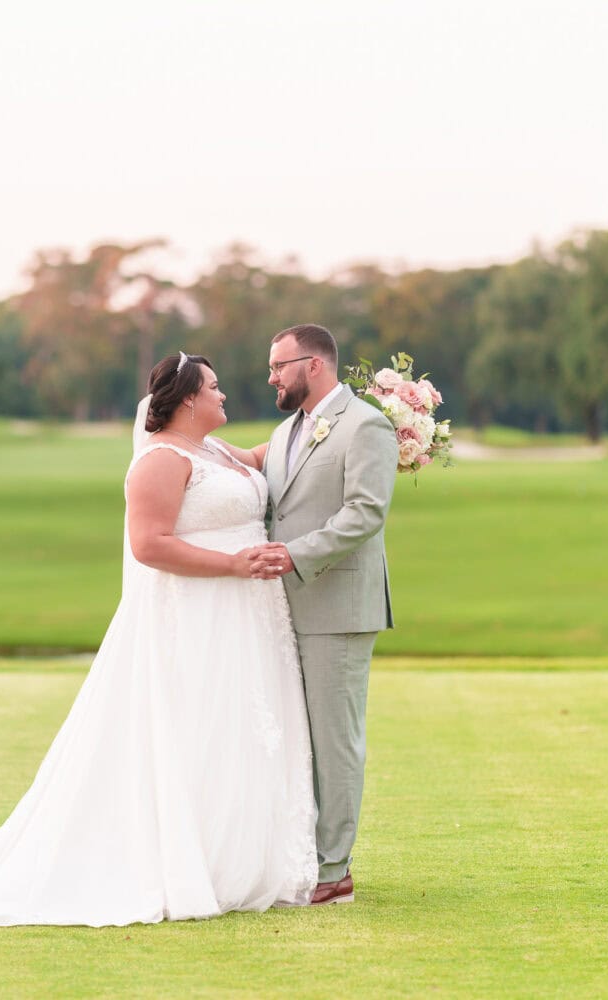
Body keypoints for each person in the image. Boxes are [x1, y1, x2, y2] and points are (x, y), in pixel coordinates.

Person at [0, 353, 316, 926]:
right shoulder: (159, 461)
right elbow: (150, 545)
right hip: (202, 611)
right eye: (215, 387)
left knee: (242, 727)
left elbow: (270, 457)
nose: (224, 394)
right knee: (200, 725)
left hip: (247, 617)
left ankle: (243, 857)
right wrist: (233, 564)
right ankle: (193, 862)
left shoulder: (212, 451)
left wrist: (342, 421)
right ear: (188, 399)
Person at [246, 324, 397, 906]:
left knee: (334, 743)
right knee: (294, 740)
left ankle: (334, 872)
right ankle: (303, 858)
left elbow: (365, 514)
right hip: (284, 610)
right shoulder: (287, 429)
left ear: (314, 365)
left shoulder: (367, 425)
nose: (271, 377)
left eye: (279, 365)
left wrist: (291, 555)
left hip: (339, 607)